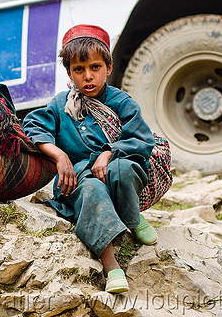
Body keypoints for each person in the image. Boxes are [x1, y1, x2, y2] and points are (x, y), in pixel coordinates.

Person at [23, 24, 158, 294]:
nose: (88, 77)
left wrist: (108, 153)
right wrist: (60, 155)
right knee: (92, 187)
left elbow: (142, 140)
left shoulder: (122, 102)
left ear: (108, 68)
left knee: (123, 167)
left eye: (95, 67)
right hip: (80, 184)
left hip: (119, 179)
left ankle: (132, 218)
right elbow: (32, 126)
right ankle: (111, 266)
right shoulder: (60, 105)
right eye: (79, 70)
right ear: (69, 73)